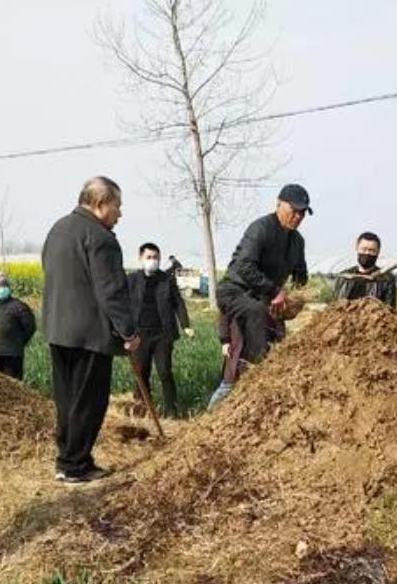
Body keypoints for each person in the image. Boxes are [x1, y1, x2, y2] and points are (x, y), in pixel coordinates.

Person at [42, 176, 140, 484]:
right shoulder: (101, 237)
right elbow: (111, 290)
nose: (120, 214)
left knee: (67, 400)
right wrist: (128, 331)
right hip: (89, 334)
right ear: (100, 204)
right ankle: (76, 465)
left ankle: (66, 459)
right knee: (89, 402)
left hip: (58, 329)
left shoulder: (57, 229)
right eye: (117, 206)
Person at [208, 184, 310, 408]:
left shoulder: (297, 242)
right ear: (279, 204)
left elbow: (300, 274)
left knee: (276, 335)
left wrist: (299, 293)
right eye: (294, 210)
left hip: (263, 300)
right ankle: (253, 372)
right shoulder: (261, 228)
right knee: (256, 318)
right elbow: (244, 266)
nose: (298, 216)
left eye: (303, 213)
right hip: (234, 291)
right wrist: (275, 291)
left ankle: (262, 373)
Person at [127, 242, 193, 418]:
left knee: (165, 372)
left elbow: (178, 303)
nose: (153, 261)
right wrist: (123, 331)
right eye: (149, 257)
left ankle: (171, 411)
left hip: (163, 334)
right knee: (141, 372)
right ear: (140, 258)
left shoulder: (166, 280)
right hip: (139, 335)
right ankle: (143, 409)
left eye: (156, 258)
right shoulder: (132, 280)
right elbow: (122, 305)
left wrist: (186, 325)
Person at [333, 231, 397, 307]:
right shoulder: (343, 277)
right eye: (364, 249)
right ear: (357, 248)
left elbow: (390, 310)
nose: (367, 253)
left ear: (378, 252)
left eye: (372, 250)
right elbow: (335, 307)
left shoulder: (386, 279)